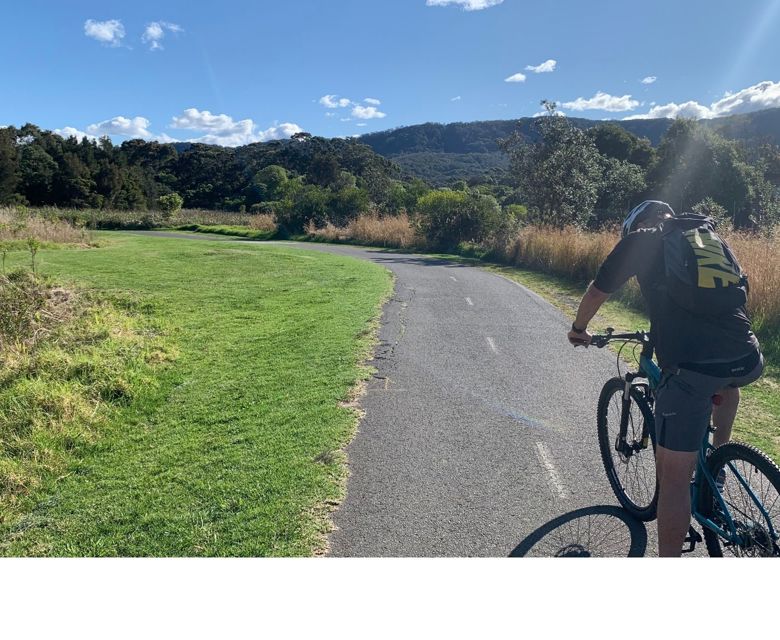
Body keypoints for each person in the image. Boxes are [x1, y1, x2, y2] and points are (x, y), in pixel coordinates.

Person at [567, 200, 764, 557]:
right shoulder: (706, 236)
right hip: (748, 355)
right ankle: (716, 465)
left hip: (691, 366)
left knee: (672, 480)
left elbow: (598, 291)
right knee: (724, 382)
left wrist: (579, 328)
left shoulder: (640, 241)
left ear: (635, 225)